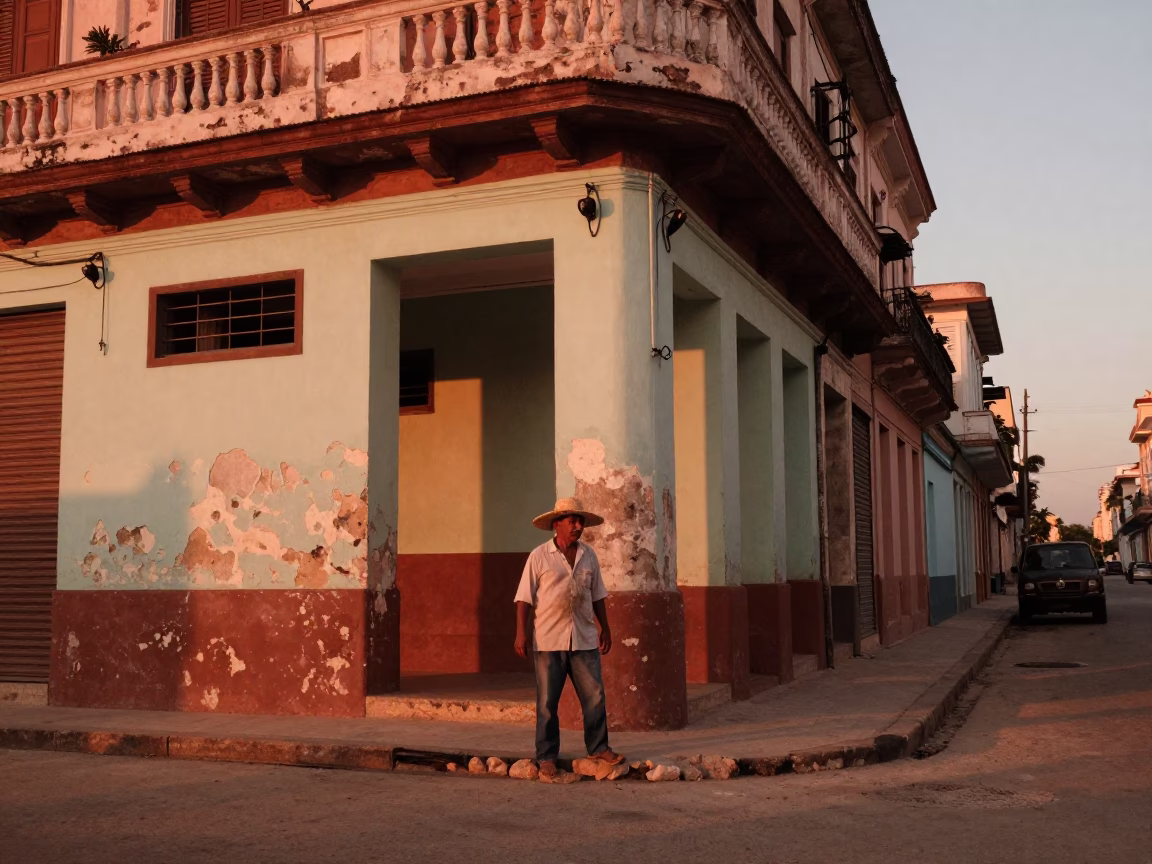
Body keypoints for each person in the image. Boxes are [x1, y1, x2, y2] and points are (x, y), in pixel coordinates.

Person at [514, 497, 625, 779]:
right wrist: (520, 633)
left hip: (585, 639)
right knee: (547, 703)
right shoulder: (539, 557)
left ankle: (599, 748)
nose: (578, 526)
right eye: (572, 521)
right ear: (557, 524)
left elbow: (597, 595)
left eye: (581, 521)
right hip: (548, 640)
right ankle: (547, 756)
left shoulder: (589, 556)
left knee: (595, 697)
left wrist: (606, 628)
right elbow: (524, 599)